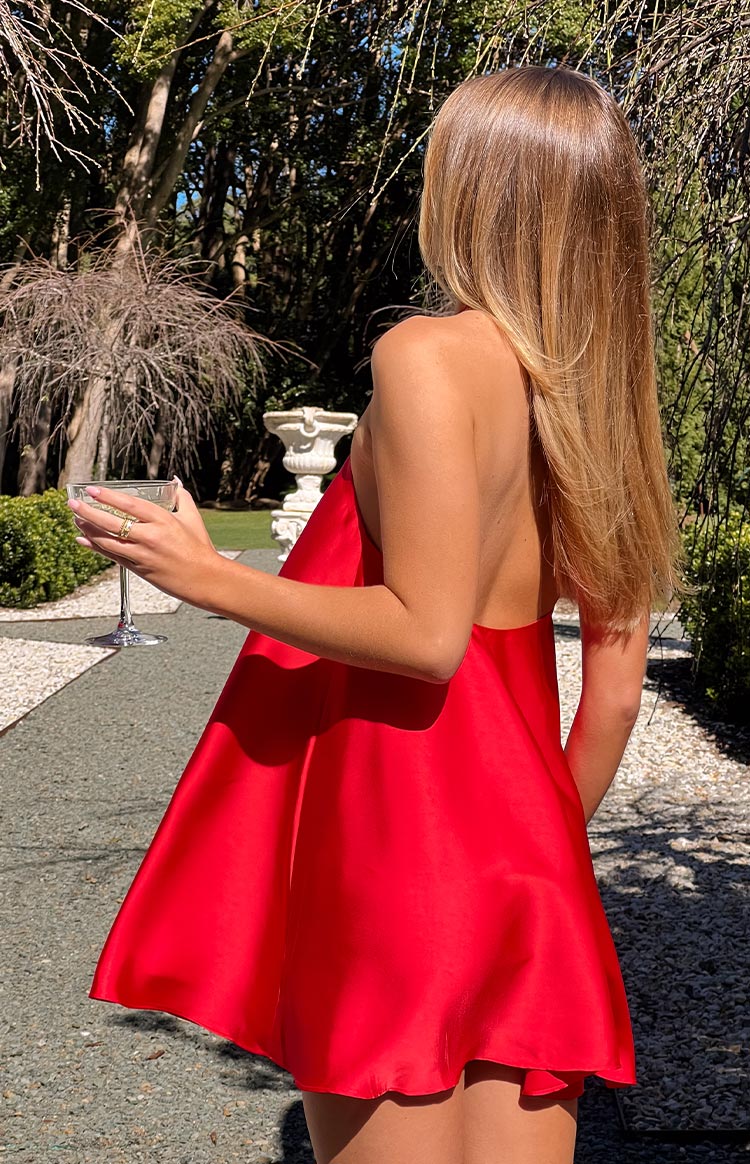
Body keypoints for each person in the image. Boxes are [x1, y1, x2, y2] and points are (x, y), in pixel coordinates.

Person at [68, 65, 686, 1164]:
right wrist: (537, 853)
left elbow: (426, 636)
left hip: (398, 841)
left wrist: (205, 575)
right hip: (532, 855)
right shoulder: (605, 408)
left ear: (471, 189)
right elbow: (617, 701)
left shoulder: (425, 357)